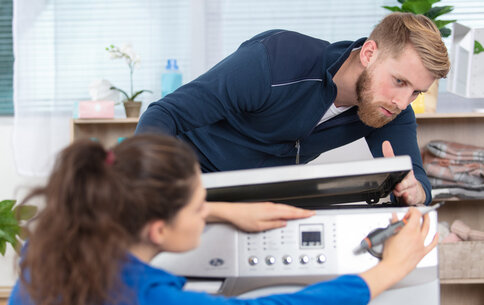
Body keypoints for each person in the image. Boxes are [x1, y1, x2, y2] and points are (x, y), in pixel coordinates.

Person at [0, 134, 437, 305]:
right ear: (157, 230)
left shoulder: (46, 253)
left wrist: (221, 212)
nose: (207, 208)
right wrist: (386, 271)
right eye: (197, 207)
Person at [135, 13, 450, 206]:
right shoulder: (274, 62)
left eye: (416, 92)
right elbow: (163, 115)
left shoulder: (389, 110)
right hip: (190, 181)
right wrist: (163, 188)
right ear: (369, 53)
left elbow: (415, 179)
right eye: (398, 81)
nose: (402, 102)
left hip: (260, 202)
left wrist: (416, 190)